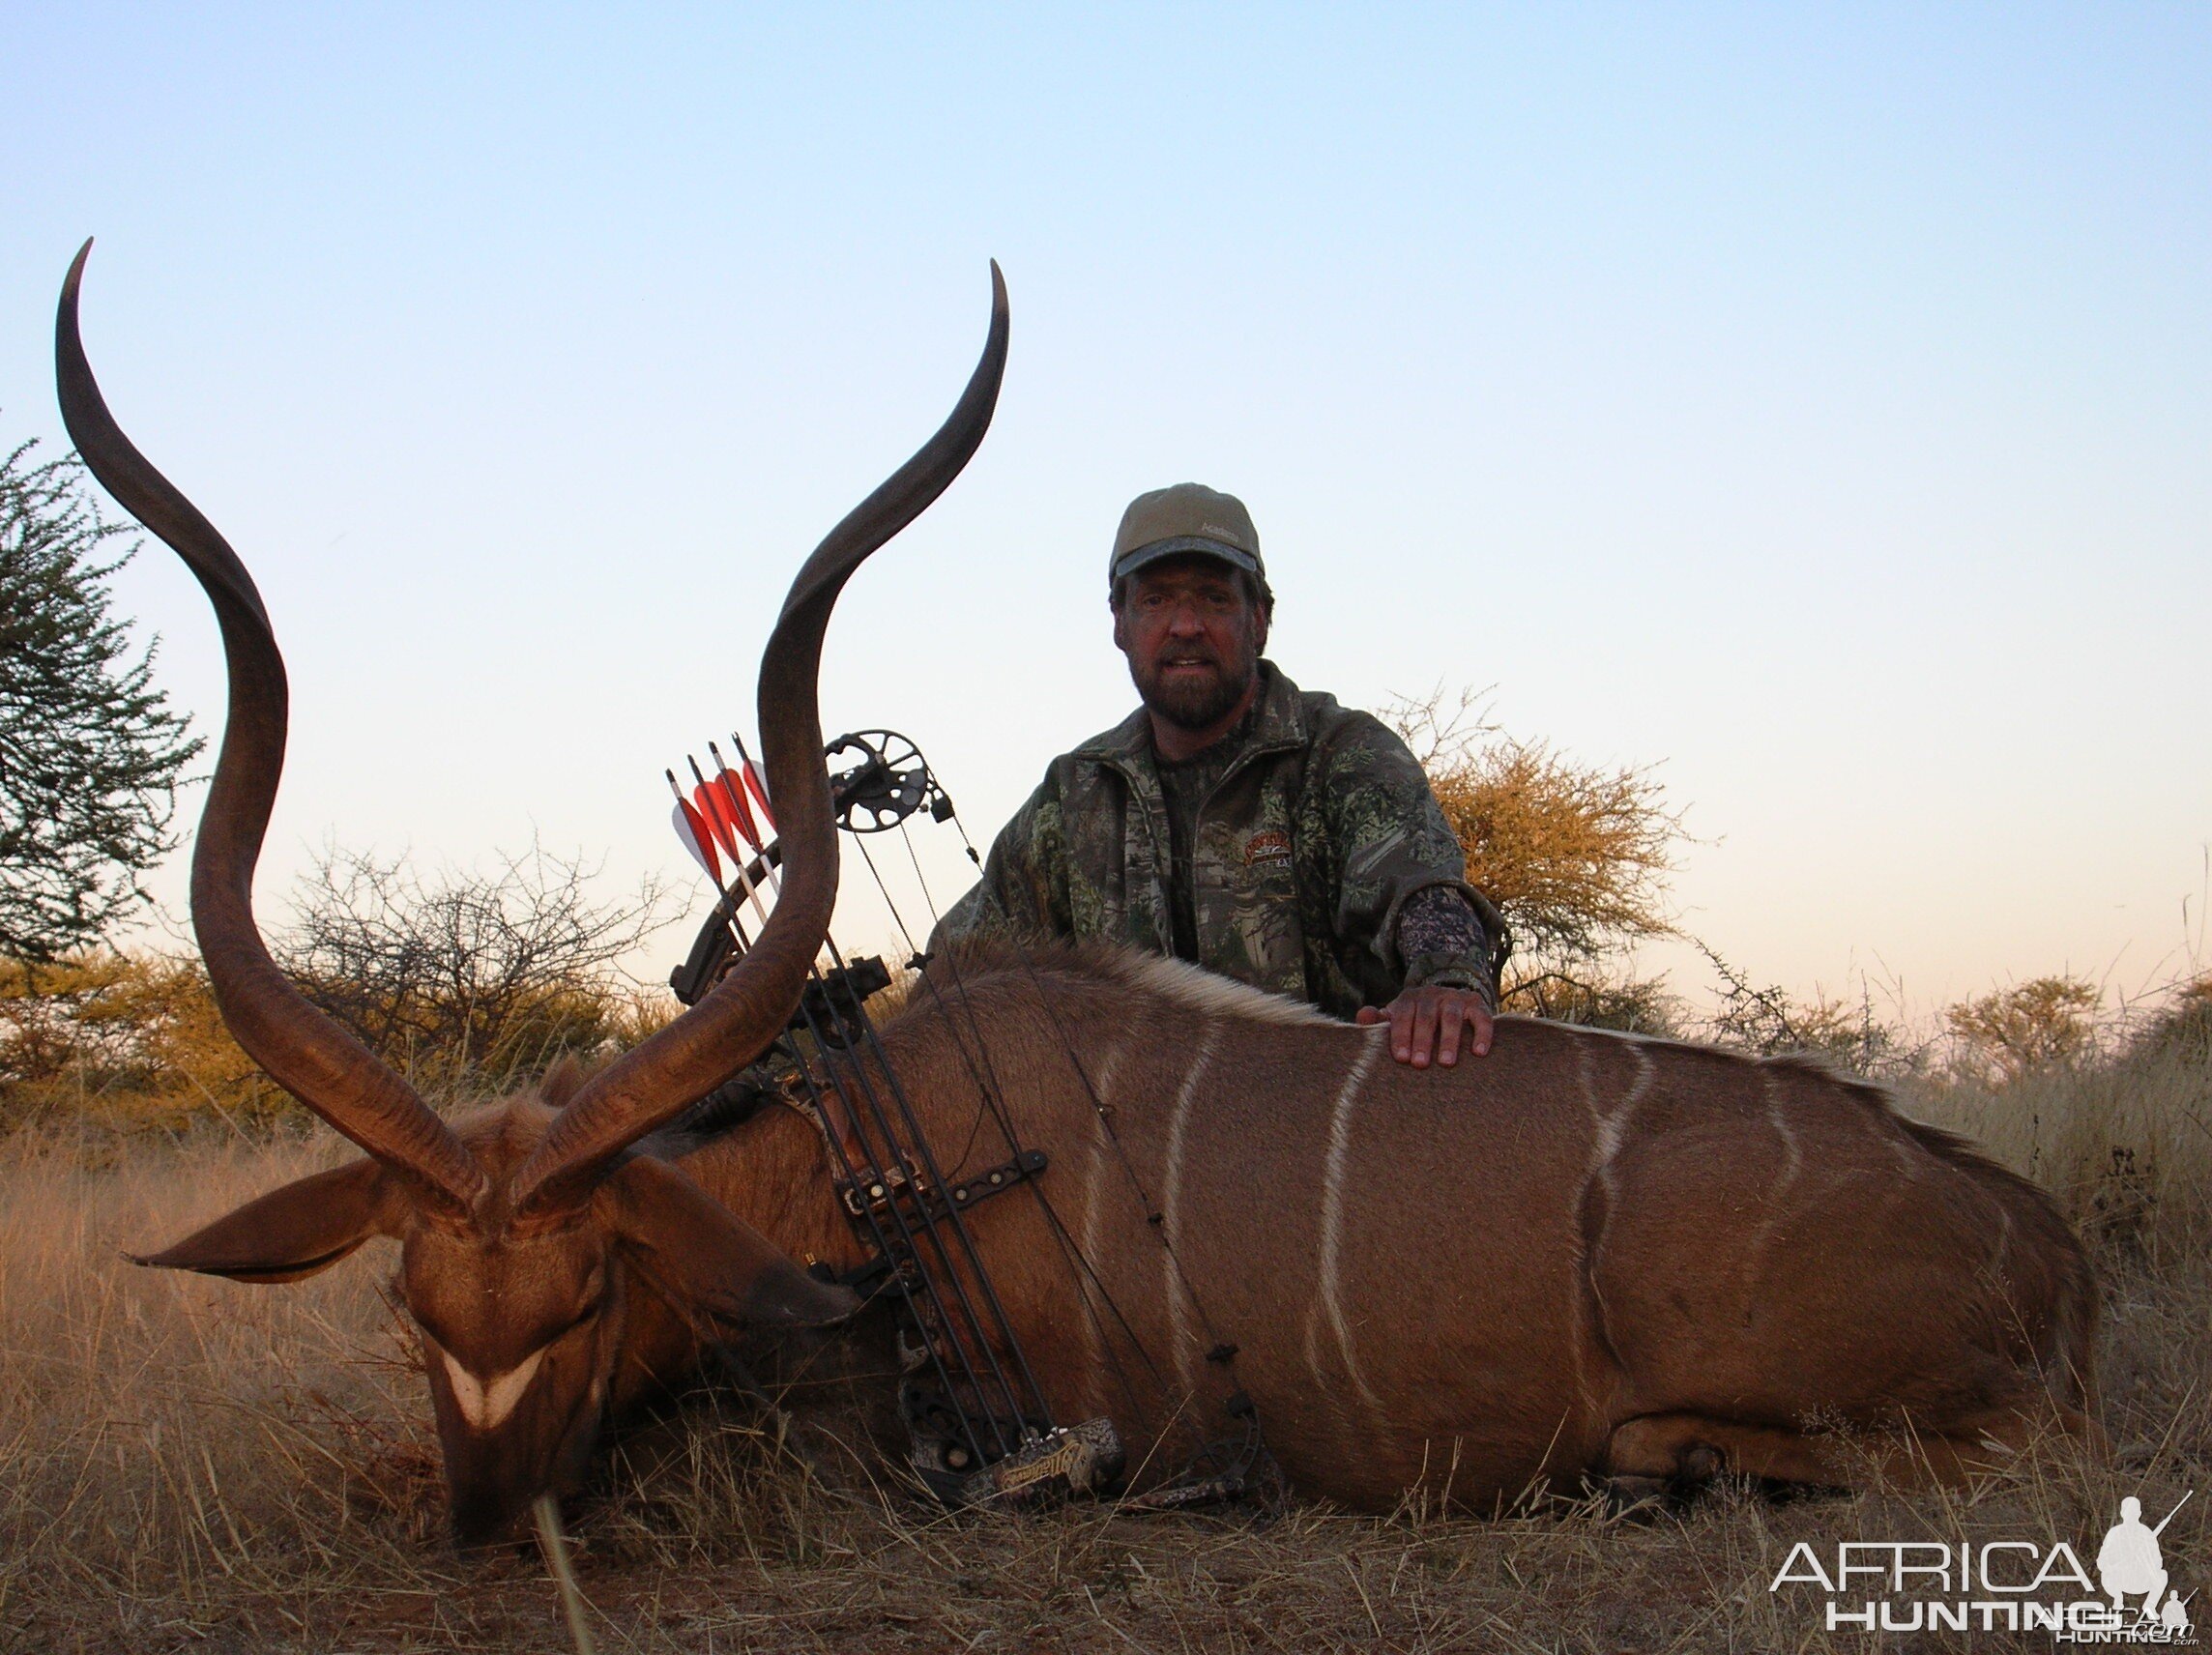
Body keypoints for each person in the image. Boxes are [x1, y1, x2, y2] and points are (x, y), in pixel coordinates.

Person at [934, 482, 1505, 1067]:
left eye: (1213, 599)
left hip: (1327, 1131)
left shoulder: (1343, 752)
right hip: (1137, 1143)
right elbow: (962, 963)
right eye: (1155, 601)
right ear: (1119, 622)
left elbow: (1419, 886)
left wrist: (1448, 977)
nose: (1185, 625)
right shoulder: (1074, 795)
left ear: (1259, 618)